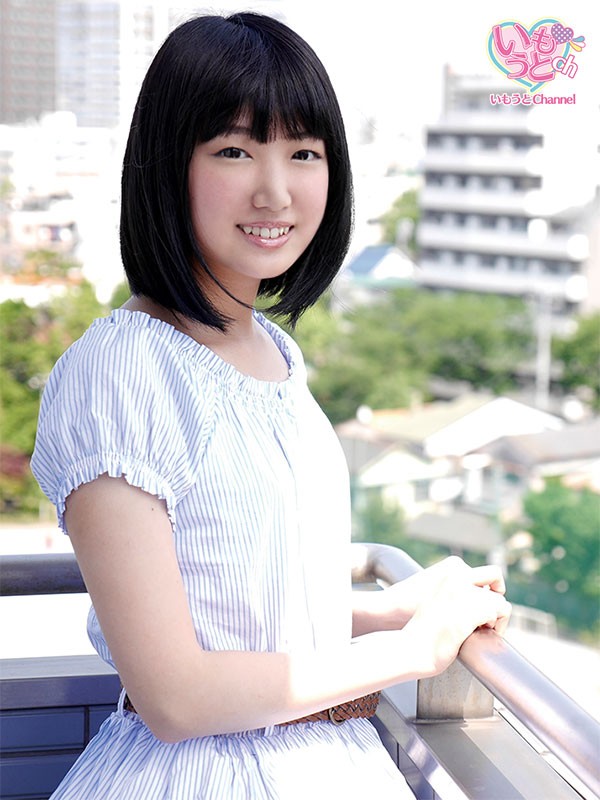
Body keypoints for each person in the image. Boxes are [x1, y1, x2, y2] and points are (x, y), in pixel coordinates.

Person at [31, 12, 511, 800]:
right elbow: (175, 695)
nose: (276, 190)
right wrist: (412, 650)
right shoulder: (120, 372)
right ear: (167, 166)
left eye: (303, 153)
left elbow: (231, 603)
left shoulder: (274, 351)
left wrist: (384, 613)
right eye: (234, 150)